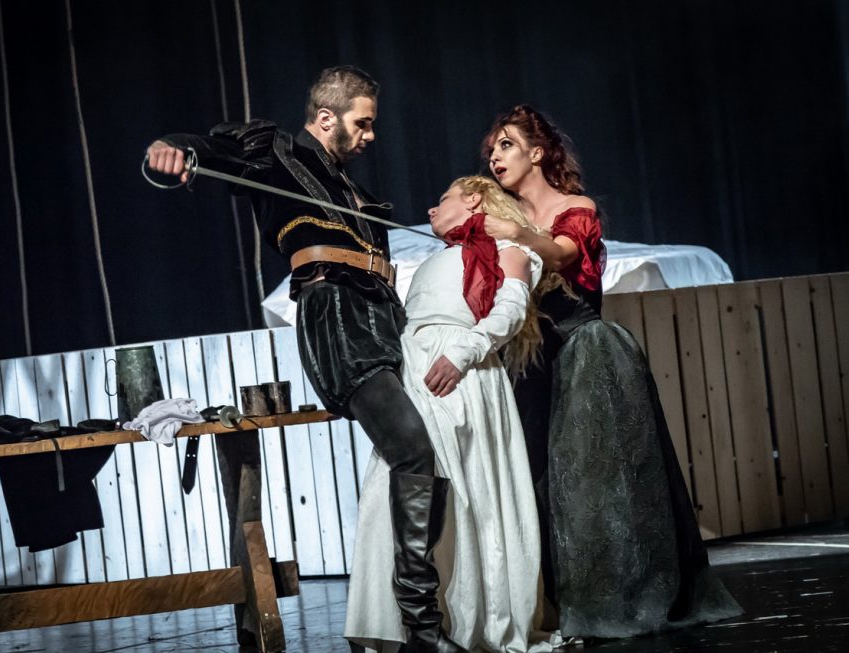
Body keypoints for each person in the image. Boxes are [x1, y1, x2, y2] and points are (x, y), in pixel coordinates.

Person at [145, 66, 464, 652]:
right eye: (362, 123)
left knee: (417, 453)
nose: (370, 136)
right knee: (413, 450)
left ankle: (409, 624)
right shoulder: (278, 153)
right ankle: (421, 627)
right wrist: (172, 149)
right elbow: (211, 148)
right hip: (336, 316)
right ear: (325, 117)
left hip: (381, 318)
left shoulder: (351, 188)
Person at [482, 105, 742, 639]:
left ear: (537, 152)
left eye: (505, 145)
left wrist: (515, 232)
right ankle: (560, 604)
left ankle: (622, 597)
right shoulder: (501, 214)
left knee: (601, 483)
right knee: (537, 479)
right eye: (491, 149)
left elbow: (561, 254)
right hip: (531, 361)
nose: (494, 156)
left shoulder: (575, 207)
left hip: (584, 354)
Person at [346, 176, 550, 652]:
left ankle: (468, 620)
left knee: (469, 489)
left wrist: (462, 353)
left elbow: (509, 310)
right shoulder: (433, 260)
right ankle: (390, 624)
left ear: (474, 198)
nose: (431, 209)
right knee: (394, 486)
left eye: (443, 199)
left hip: (461, 368)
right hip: (411, 367)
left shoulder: (509, 251)